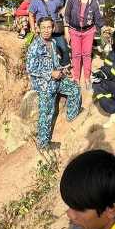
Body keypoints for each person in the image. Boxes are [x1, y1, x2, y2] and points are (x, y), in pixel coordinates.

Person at [26, 17, 83, 149]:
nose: (46, 30)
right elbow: (30, 68)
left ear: (53, 28)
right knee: (46, 112)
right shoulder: (35, 45)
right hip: (44, 84)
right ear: (38, 29)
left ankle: (72, 117)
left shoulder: (52, 42)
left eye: (49, 27)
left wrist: (62, 70)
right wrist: (50, 73)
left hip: (57, 79)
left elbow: (55, 63)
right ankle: (43, 144)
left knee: (75, 88)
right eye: (43, 27)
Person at [63, 0, 104, 88]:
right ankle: (76, 77)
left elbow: (98, 18)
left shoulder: (94, 1)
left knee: (86, 54)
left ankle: (86, 77)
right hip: (74, 30)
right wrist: (66, 30)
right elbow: (66, 14)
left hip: (88, 31)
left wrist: (104, 28)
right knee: (76, 54)